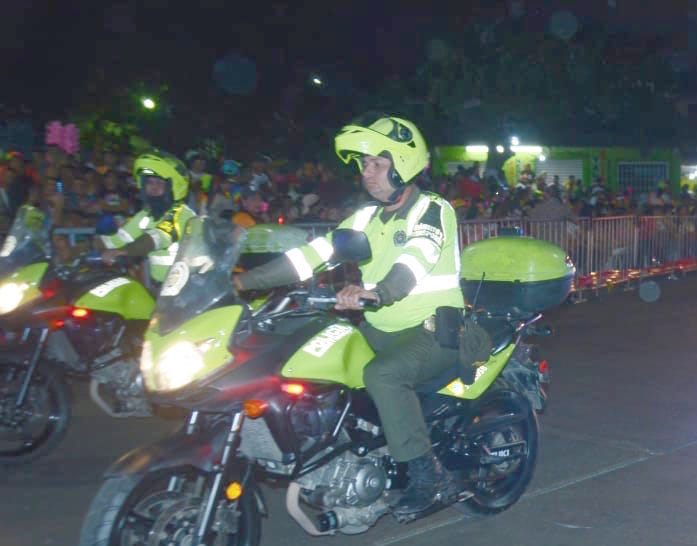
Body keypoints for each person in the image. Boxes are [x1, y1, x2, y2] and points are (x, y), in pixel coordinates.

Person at [234, 113, 465, 514]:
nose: (367, 173)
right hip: (380, 327)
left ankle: (430, 477)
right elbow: (313, 254)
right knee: (318, 353)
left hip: (433, 329)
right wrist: (243, 283)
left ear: (404, 165)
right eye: (363, 164)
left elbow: (415, 259)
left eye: (377, 164)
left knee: (383, 374)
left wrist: (376, 292)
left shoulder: (432, 209)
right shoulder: (365, 217)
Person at [98, 150, 195, 284]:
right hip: (164, 288)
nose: (153, 187)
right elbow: (119, 239)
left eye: (160, 183)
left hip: (190, 286)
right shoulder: (147, 215)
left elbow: (156, 238)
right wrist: (84, 247)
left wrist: (123, 251)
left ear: (172, 187)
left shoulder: (182, 213)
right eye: (149, 182)